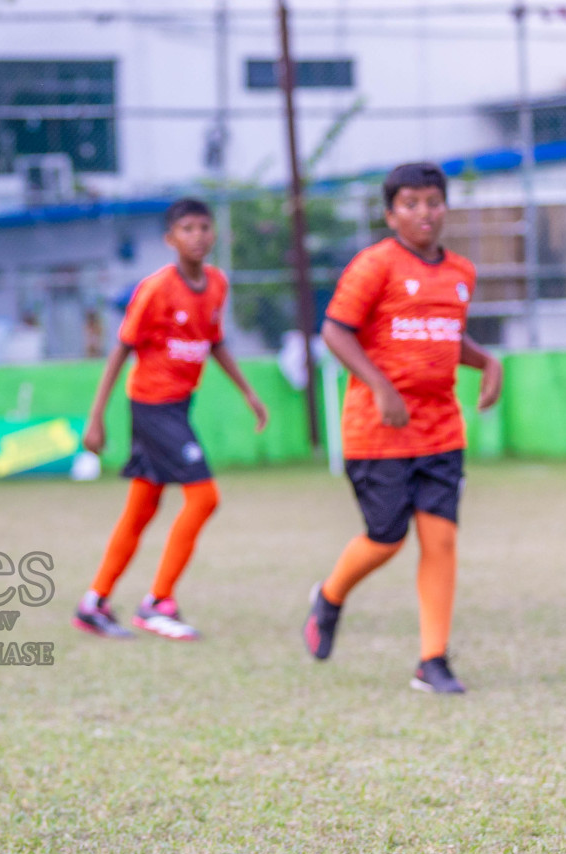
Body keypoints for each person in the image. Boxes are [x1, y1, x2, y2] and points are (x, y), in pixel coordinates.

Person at [301, 162, 503, 695]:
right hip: (379, 431)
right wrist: (382, 387)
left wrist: (488, 363)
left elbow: (443, 337)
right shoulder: (374, 266)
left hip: (440, 431)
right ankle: (330, 596)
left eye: (433, 202)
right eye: (410, 204)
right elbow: (336, 333)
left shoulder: (460, 272)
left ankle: (431, 661)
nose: (424, 213)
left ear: (446, 208)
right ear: (391, 214)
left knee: (440, 541)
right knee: (387, 538)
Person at [74, 198, 268, 641]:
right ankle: (158, 602)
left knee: (141, 510)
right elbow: (122, 348)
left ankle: (94, 603)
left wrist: (250, 394)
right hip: (151, 406)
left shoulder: (217, 284)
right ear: (170, 238)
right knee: (204, 498)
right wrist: (97, 418)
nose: (197, 236)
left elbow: (214, 342)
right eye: (187, 228)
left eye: (204, 227)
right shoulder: (156, 289)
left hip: (179, 406)